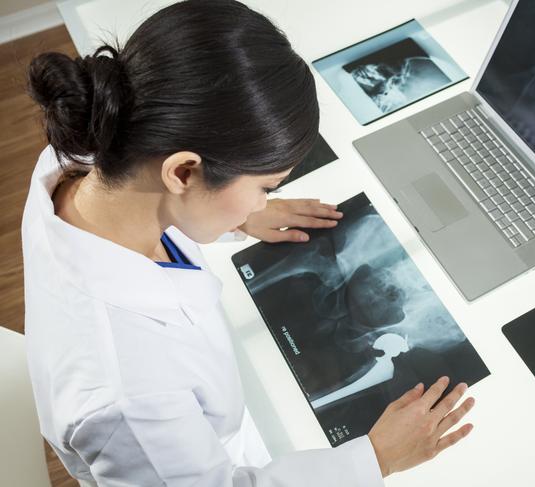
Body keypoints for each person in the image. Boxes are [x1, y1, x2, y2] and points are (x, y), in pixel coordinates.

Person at [22, 1, 475, 486]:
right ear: (183, 172)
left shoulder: (92, 152)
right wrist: (374, 459)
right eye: (265, 187)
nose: (263, 203)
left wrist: (239, 215)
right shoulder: (130, 396)